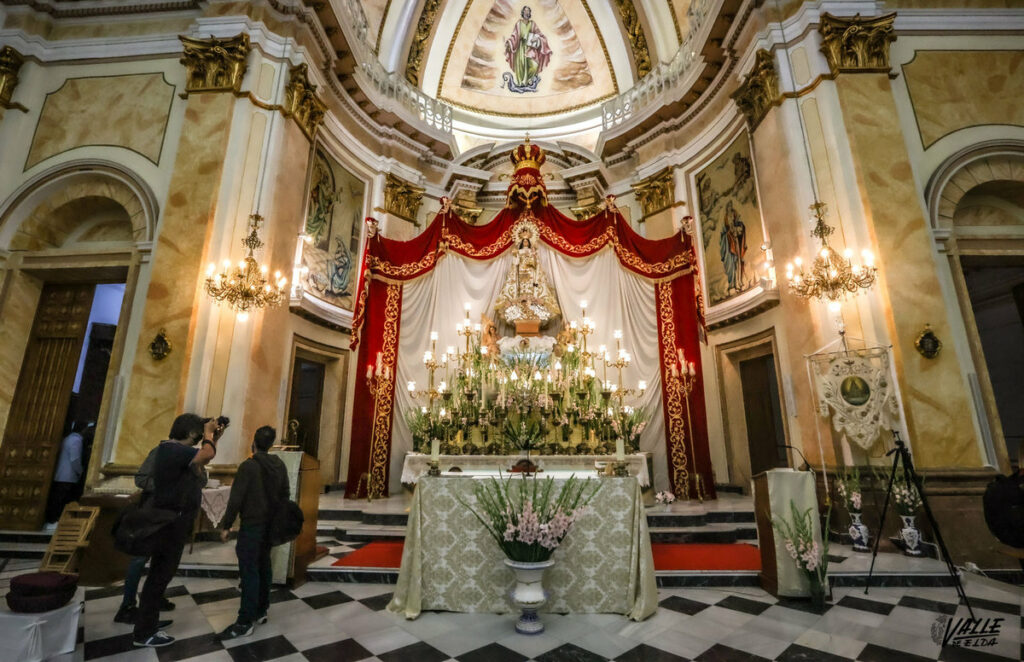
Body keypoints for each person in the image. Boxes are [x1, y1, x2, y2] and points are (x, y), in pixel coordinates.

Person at [133, 413, 225, 648]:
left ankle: (148, 622)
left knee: (161, 574)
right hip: (168, 523)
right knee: (159, 575)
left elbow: (202, 462)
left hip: (174, 522)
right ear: (192, 433)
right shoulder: (172, 449)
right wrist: (208, 436)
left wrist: (215, 436)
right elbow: (207, 454)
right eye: (198, 432)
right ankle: (145, 632)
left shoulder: (176, 451)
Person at [216, 426, 289, 640]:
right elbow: (286, 494)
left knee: (249, 571)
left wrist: (227, 525)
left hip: (253, 524)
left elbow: (236, 497)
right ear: (271, 444)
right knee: (264, 565)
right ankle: (261, 609)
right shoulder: (280, 465)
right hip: (270, 525)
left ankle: (245, 620)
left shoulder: (248, 467)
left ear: (253, 443)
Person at [113, 440, 189, 624]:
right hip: (151, 514)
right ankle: (128, 606)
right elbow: (141, 478)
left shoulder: (188, 454)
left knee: (162, 559)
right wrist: (168, 489)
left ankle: (154, 599)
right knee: (140, 559)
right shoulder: (160, 451)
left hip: (169, 516)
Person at [45, 421, 87, 527]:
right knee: (62, 500)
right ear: (84, 430)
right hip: (68, 476)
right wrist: (80, 471)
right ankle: (56, 521)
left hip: (60, 474)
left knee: (57, 498)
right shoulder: (76, 440)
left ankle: (52, 520)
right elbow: (75, 458)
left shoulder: (67, 439)